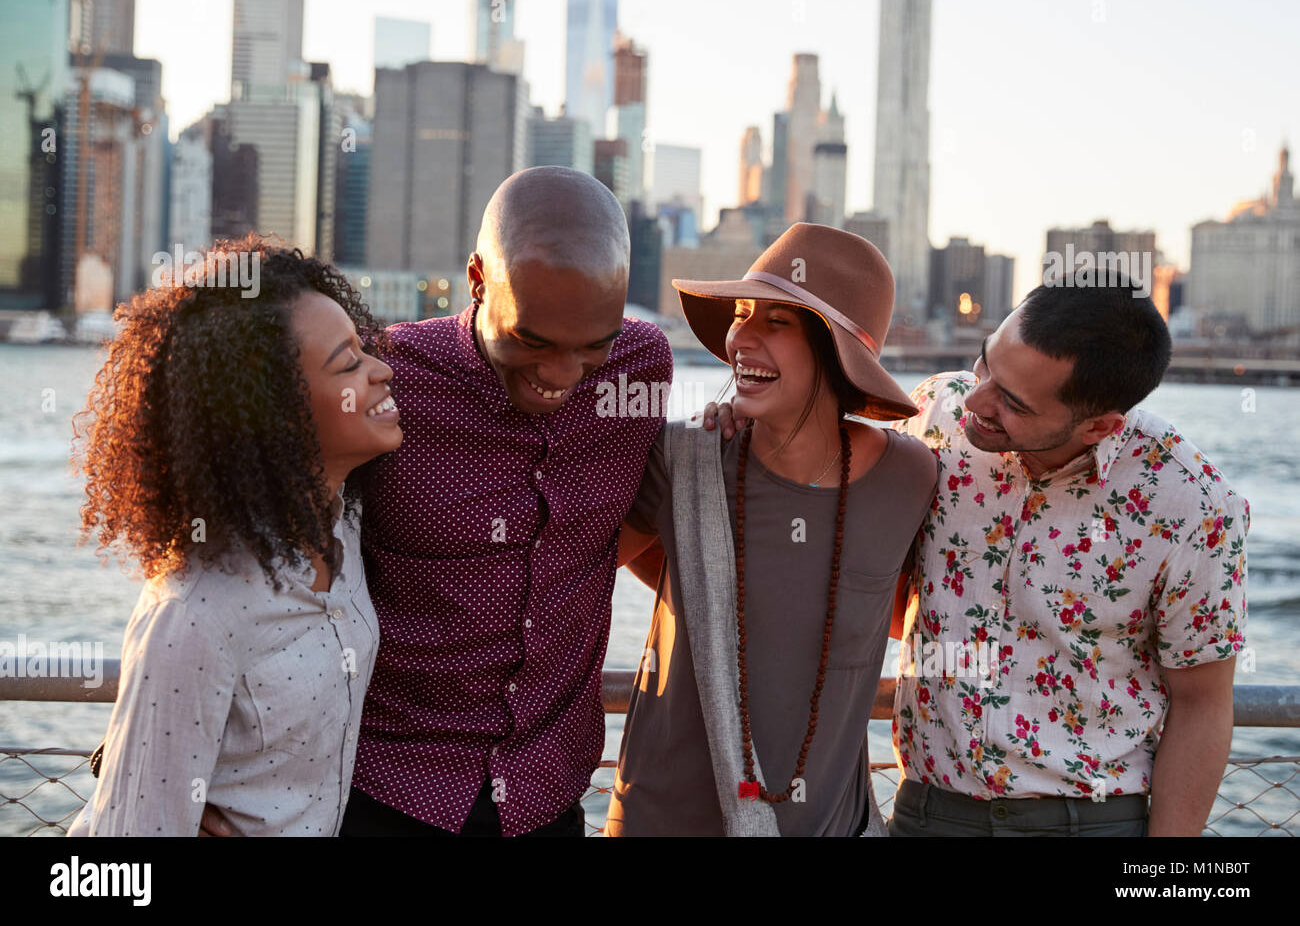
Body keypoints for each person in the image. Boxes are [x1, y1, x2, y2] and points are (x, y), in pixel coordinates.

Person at [329, 166, 673, 836]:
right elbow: (270, 550)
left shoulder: (642, 369)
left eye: (591, 348)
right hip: (383, 795)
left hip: (547, 802)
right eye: (533, 342)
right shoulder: (385, 376)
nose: (562, 376)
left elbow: (608, 533)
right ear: (478, 280)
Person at [881, 272, 1249, 836]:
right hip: (927, 813)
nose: (976, 399)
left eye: (1013, 402)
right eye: (985, 364)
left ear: (1100, 426)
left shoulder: (1193, 505)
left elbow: (1202, 704)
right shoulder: (934, 413)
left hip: (1091, 824)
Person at [607, 223, 939, 836]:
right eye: (741, 313)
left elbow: (898, 614)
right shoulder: (686, 458)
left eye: (776, 322)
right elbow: (575, 570)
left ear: (837, 351)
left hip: (828, 824)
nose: (741, 338)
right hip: (662, 815)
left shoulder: (910, 475)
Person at [68, 239, 401, 836]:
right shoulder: (195, 612)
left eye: (364, 350)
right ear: (275, 411)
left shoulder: (343, 533)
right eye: (348, 364)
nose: (382, 371)